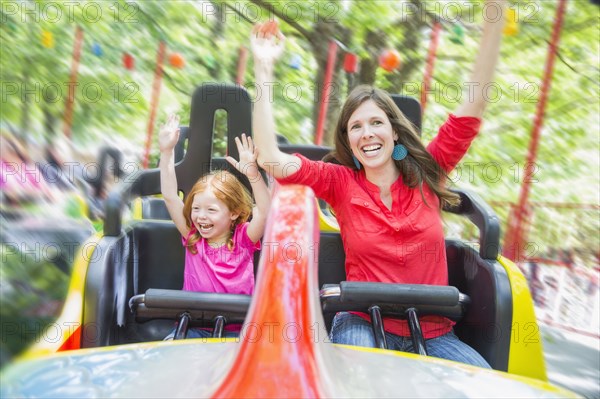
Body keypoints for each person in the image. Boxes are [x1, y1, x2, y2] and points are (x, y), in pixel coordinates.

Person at [249, 1, 506, 368]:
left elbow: (473, 105)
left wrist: (494, 18)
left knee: (482, 382)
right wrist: (263, 67)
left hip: (433, 331)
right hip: (362, 321)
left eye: (376, 123)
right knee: (363, 376)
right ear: (349, 141)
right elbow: (271, 157)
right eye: (356, 127)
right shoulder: (340, 181)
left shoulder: (428, 173)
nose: (367, 133)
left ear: (394, 131)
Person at [159, 114, 270, 340]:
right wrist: (166, 152)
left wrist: (254, 174)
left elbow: (266, 212)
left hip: (236, 331)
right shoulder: (193, 238)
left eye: (211, 210)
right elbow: (170, 196)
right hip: (193, 327)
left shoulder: (243, 238)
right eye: (196, 209)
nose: (201, 217)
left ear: (234, 213)